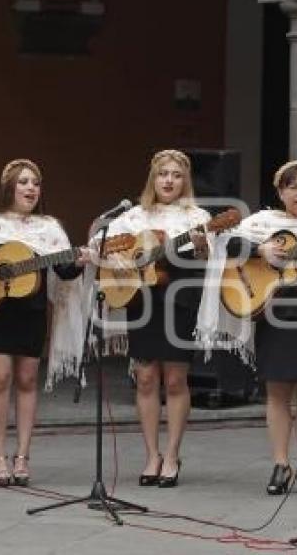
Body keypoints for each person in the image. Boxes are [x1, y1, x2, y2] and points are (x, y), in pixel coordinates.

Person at [199, 160, 297, 497]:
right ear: (281, 192)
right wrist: (260, 249)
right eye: (293, 187)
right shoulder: (262, 223)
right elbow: (227, 245)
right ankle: (280, 463)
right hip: (273, 313)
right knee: (276, 391)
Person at [0, 159, 89, 486]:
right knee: (0, 377)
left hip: (32, 310)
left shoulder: (49, 227)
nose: (31, 188)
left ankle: (22, 457)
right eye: (24, 182)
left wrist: (79, 261)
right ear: (10, 186)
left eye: (36, 183)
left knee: (26, 379)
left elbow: (63, 271)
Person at [101, 149, 211, 488]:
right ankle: (152, 454)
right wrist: (116, 260)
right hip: (142, 301)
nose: (169, 180)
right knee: (146, 377)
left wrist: (202, 246)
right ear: (153, 178)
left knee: (176, 380)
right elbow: (101, 244)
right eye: (163, 174)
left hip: (179, 301)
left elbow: (211, 260)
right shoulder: (133, 217)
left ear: (184, 181)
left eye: (176, 175)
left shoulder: (197, 216)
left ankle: (173, 454)